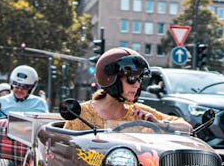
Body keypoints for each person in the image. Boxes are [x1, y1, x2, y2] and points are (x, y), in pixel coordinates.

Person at [62, 47, 192, 132]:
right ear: (110, 79)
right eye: (131, 78)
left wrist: (159, 124)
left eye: (139, 79)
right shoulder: (81, 114)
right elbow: (63, 151)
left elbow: (187, 127)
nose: (137, 85)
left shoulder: (139, 113)